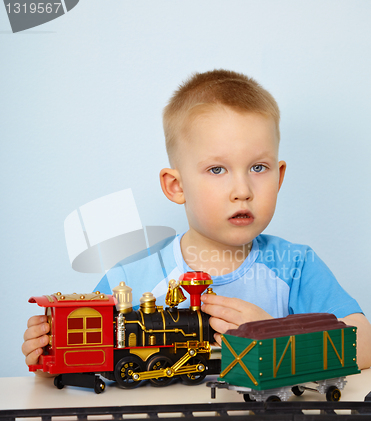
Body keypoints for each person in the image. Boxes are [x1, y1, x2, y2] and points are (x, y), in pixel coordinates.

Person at [22, 69, 371, 370]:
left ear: (279, 178)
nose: (242, 190)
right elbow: (88, 357)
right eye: (217, 169)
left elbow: (365, 343)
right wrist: (45, 356)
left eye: (258, 167)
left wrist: (276, 334)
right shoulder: (127, 277)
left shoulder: (296, 266)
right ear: (176, 186)